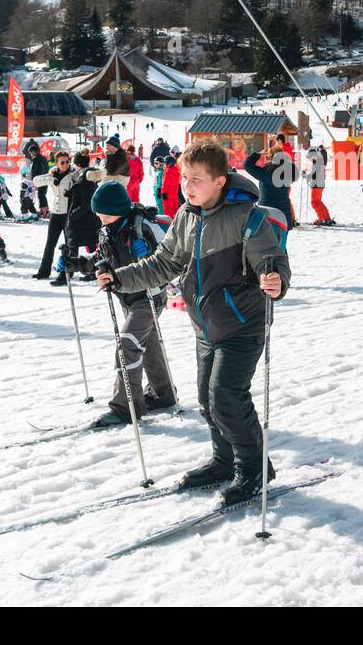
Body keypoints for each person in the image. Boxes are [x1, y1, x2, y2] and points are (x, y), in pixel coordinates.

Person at [100, 140, 291, 506]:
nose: (187, 186)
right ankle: (224, 461)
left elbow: (273, 259)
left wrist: (276, 279)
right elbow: (163, 263)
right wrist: (120, 277)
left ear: (220, 181)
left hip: (243, 325)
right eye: (185, 177)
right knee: (206, 399)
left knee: (226, 398)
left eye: (197, 179)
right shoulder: (187, 216)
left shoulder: (246, 217)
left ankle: (254, 469)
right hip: (205, 326)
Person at [67, 181, 175, 426]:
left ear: (117, 209)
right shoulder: (108, 229)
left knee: (127, 344)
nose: (99, 217)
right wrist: (77, 263)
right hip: (127, 297)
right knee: (147, 344)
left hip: (149, 297)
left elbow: (167, 261)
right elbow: (101, 260)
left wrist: (146, 254)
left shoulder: (142, 227)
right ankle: (163, 395)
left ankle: (125, 409)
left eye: (102, 213)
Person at [49, 150, 105, 286]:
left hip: (81, 220)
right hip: (89, 220)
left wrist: (73, 214)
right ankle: (93, 272)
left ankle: (65, 275)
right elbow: (82, 194)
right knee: (91, 247)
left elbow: (86, 201)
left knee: (71, 247)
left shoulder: (83, 179)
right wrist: (70, 193)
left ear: (78, 165)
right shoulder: (88, 176)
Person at [31, 150, 74, 280]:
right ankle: (44, 271)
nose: (65, 164)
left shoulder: (73, 174)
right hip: (55, 214)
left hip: (68, 214)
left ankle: (67, 272)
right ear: (57, 163)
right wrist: (51, 179)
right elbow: (36, 181)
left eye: (67, 162)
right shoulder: (53, 173)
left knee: (70, 244)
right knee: (50, 244)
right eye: (62, 162)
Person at [244, 143, 299, 234]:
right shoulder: (288, 172)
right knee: (282, 245)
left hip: (268, 213)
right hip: (284, 213)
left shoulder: (266, 173)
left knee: (267, 245)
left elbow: (247, 165)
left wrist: (258, 154)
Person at [306, 144, 334, 225]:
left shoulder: (318, 163)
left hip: (316, 184)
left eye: (311, 158)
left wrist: (306, 176)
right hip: (320, 184)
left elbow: (314, 175)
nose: (310, 160)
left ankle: (322, 219)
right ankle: (326, 217)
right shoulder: (320, 162)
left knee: (314, 202)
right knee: (318, 202)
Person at [23, 139, 51, 215]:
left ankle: (44, 212)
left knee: (41, 195)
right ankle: (44, 210)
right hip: (45, 179)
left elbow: (36, 171)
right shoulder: (44, 158)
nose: (30, 154)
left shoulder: (36, 160)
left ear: (34, 151)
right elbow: (47, 169)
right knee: (42, 195)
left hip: (40, 180)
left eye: (30, 152)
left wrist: (35, 180)